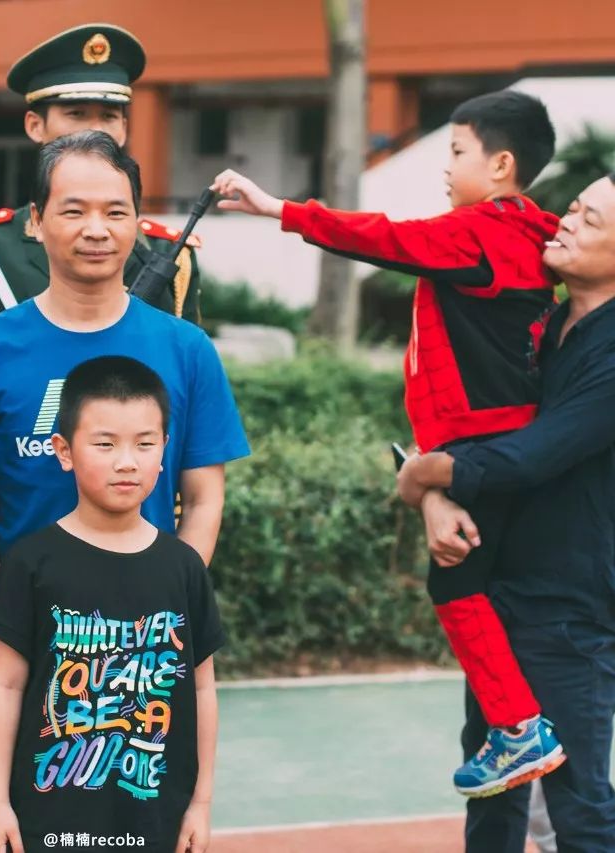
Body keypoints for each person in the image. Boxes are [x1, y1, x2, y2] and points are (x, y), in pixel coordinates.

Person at [212, 90, 566, 796]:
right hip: (499, 438)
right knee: (475, 578)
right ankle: (515, 726)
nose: (447, 166)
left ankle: (520, 726)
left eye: (457, 152)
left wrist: (278, 208)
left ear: (500, 164)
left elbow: (385, 237)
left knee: (455, 576)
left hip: (479, 441)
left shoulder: (480, 231)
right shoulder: (528, 230)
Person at [0, 130, 249, 844]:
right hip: (17, 657)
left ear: (140, 222)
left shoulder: (184, 349)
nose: (96, 229)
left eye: (116, 211)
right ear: (36, 221)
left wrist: (165, 608)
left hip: (147, 661)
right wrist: (12, 621)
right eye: (74, 209)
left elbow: (203, 496)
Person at [396, 171, 615, 851]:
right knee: (495, 796)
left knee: (578, 807)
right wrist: (433, 492)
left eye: (589, 219)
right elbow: (474, 427)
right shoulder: (546, 320)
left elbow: (531, 455)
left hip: (573, 614)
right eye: (573, 207)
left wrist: (424, 474)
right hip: (502, 589)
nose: (565, 222)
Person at [0, 356, 222, 853]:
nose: (127, 461)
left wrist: (200, 803)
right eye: (105, 444)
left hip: (154, 812)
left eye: (144, 444)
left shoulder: (183, 567)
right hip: (51, 819)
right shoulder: (30, 564)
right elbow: (2, 686)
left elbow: (201, 688)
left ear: (165, 453)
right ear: (64, 451)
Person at [0, 22, 203, 366]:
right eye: (76, 114)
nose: (95, 129)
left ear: (125, 128)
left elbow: (184, 371)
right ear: (34, 125)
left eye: (109, 116)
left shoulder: (167, 253)